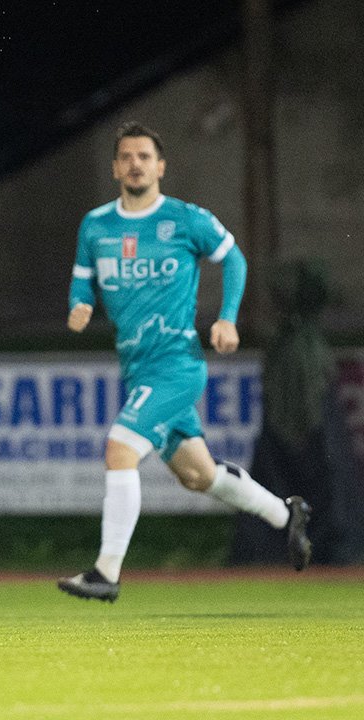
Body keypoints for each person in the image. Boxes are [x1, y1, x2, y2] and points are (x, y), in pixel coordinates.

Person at [60, 122, 312, 602]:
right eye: (127, 156)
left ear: (161, 166)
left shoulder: (185, 219)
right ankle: (286, 514)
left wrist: (228, 319)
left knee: (120, 449)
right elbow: (81, 280)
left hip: (177, 364)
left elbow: (233, 258)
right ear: (115, 167)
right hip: (136, 368)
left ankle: (105, 573)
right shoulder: (96, 225)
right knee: (199, 476)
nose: (136, 163)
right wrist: (81, 305)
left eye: (145, 156)